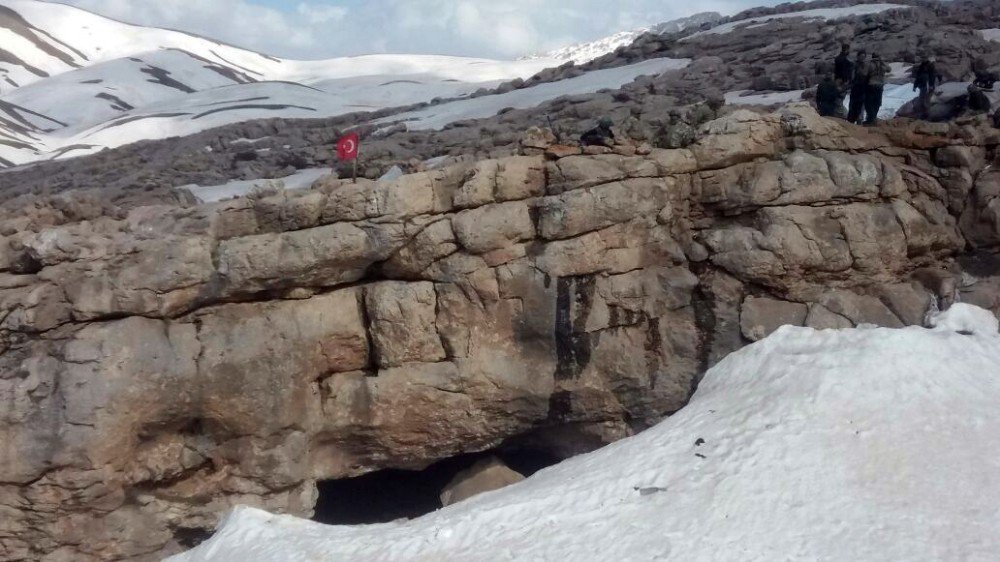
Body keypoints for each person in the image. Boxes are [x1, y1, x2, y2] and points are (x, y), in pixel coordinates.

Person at [864, 53, 891, 125]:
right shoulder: (882, 65)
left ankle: (871, 119)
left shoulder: (870, 64)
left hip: (871, 85)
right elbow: (889, 69)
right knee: (877, 103)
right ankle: (873, 118)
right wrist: (882, 62)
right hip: (880, 85)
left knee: (869, 103)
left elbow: (865, 73)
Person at [913, 55, 940, 119]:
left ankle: (926, 114)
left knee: (926, 100)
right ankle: (924, 114)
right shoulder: (924, 67)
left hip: (926, 85)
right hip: (924, 85)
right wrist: (915, 86)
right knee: (924, 100)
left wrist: (931, 85)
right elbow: (919, 77)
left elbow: (931, 76)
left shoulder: (927, 66)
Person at [847, 50, 869, 124]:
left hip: (862, 88)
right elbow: (851, 76)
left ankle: (859, 120)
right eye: (861, 56)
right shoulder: (854, 65)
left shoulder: (865, 65)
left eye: (864, 57)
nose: (862, 58)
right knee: (853, 105)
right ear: (858, 56)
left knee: (861, 105)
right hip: (855, 88)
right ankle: (851, 120)